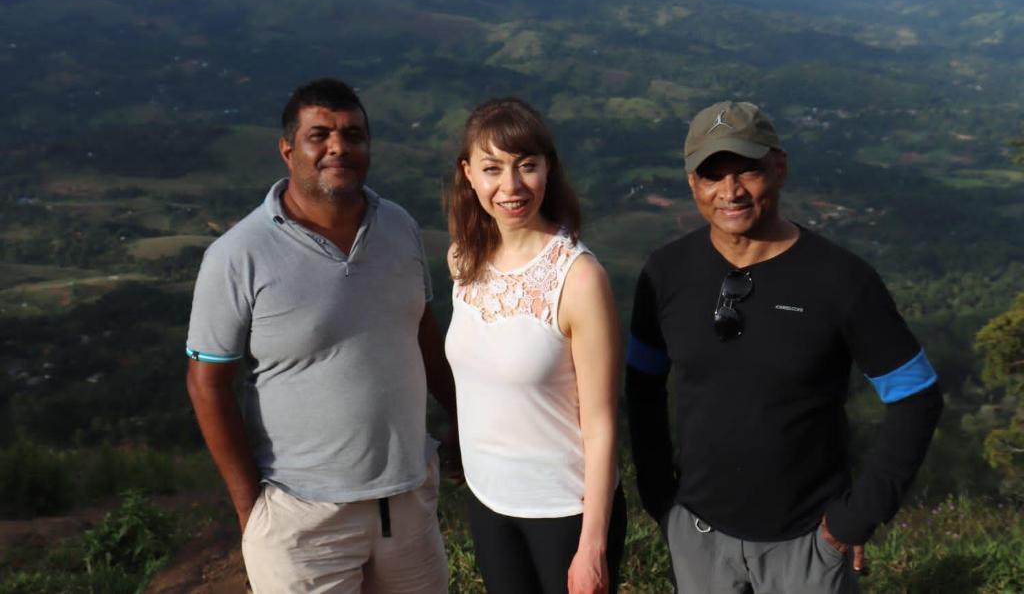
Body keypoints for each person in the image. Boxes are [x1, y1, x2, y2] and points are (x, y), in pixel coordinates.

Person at [626, 101, 943, 593]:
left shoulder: (841, 280)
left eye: (746, 171)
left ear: (779, 167)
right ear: (693, 183)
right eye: (712, 175)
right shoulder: (666, 273)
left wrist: (856, 518)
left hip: (808, 543)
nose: (730, 192)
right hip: (697, 536)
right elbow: (641, 384)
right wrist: (660, 497)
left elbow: (916, 394)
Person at [185, 77, 456, 593]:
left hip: (407, 502)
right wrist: (251, 507)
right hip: (301, 514)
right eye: (320, 135)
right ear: (288, 150)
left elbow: (422, 330)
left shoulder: (398, 226)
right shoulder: (237, 255)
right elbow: (206, 383)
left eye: (353, 135)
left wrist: (461, 417)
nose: (339, 147)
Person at [444, 98, 627, 594]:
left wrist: (593, 547)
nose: (512, 186)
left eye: (527, 166)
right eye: (492, 168)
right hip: (489, 501)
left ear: (548, 168)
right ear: (468, 174)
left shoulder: (580, 279)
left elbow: (602, 421)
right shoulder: (463, 259)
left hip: (564, 512)